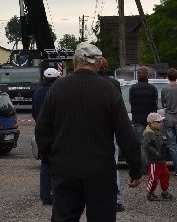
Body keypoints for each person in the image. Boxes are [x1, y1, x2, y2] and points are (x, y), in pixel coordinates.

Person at [35, 43, 142, 221]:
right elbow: (126, 134)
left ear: (75, 61)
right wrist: (135, 169)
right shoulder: (109, 91)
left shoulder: (58, 88)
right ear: (98, 64)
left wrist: (50, 158)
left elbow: (42, 130)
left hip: (65, 169)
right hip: (100, 172)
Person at [98, 56, 125, 212]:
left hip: (93, 129)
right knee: (112, 164)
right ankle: (116, 199)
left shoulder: (89, 83)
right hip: (110, 128)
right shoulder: (114, 84)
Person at [32, 67, 60, 206]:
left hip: (40, 131)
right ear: (55, 79)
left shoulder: (37, 93)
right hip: (54, 132)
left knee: (45, 164)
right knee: (56, 165)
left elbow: (33, 113)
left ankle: (45, 196)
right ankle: (55, 196)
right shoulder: (56, 92)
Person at [129, 66, 158, 177]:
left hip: (137, 117)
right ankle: (152, 166)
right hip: (150, 118)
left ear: (137, 75)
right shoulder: (152, 88)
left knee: (141, 143)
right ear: (148, 76)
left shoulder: (133, 88)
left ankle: (143, 168)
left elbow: (131, 102)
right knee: (150, 142)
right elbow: (155, 102)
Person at [143, 112, 173, 201]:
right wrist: (156, 153)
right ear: (152, 122)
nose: (161, 124)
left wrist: (164, 149)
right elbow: (147, 146)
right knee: (153, 178)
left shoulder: (157, 131)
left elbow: (160, 143)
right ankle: (150, 193)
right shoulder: (149, 133)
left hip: (161, 159)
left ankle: (164, 191)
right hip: (154, 160)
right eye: (159, 122)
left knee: (165, 175)